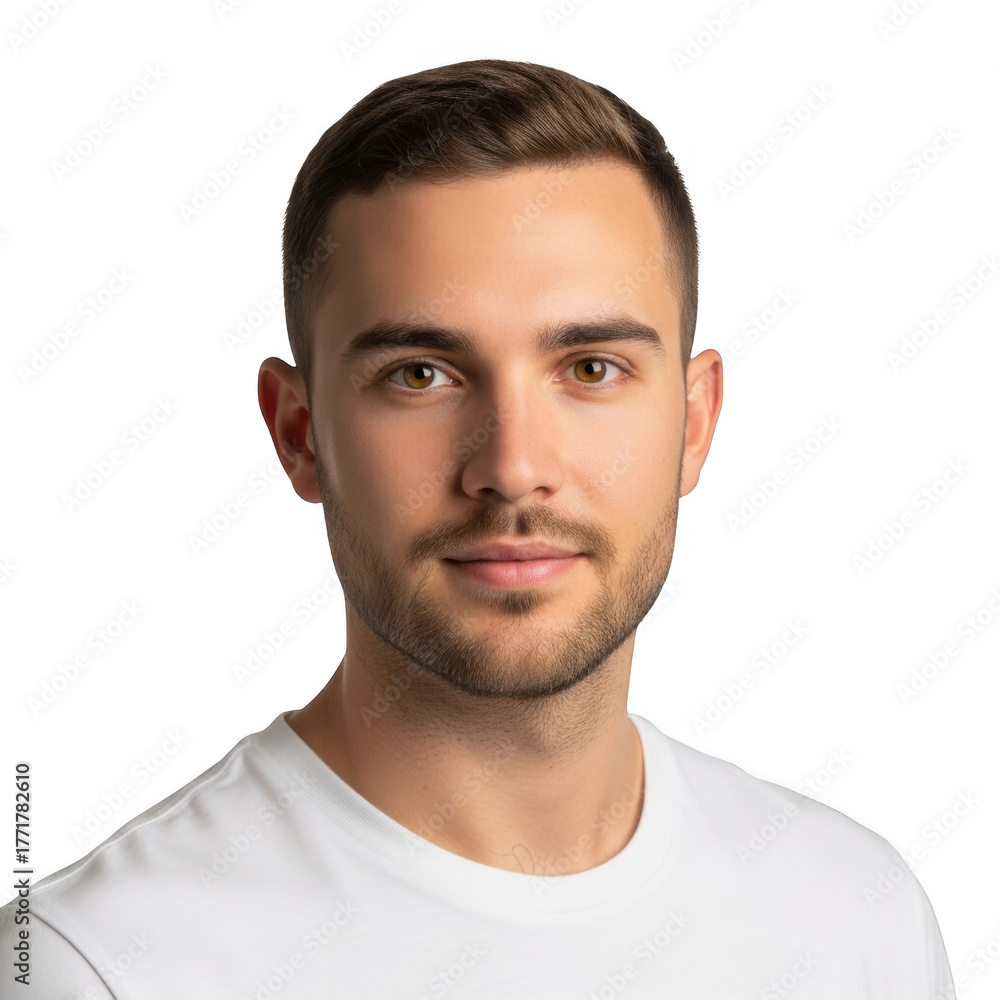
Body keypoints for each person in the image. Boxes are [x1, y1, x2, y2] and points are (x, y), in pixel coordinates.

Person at [1, 58, 954, 998]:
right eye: (420, 375)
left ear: (694, 425)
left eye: (591, 369)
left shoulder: (856, 917)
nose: (512, 466)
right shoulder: (89, 968)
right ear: (300, 434)